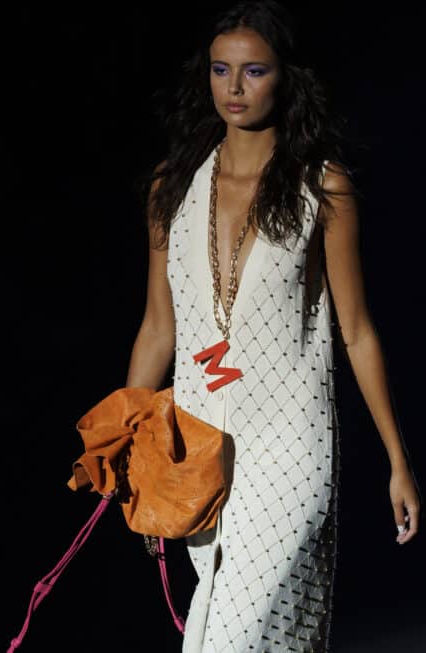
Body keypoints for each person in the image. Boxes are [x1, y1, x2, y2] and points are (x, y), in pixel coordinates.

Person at [129, 1, 420, 651]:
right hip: (201, 443)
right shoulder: (171, 189)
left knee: (229, 638)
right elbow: (157, 327)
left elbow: (358, 331)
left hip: (290, 445)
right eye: (220, 70)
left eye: (254, 71)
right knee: (216, 631)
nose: (234, 88)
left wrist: (398, 461)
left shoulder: (323, 187)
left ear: (286, 76)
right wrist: (138, 450)